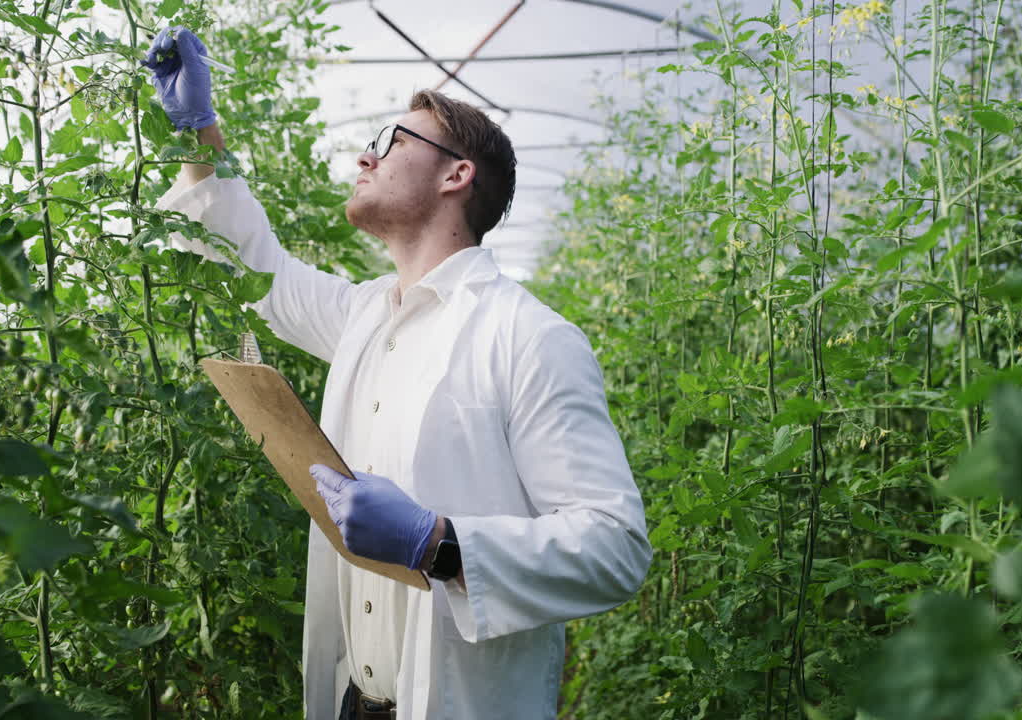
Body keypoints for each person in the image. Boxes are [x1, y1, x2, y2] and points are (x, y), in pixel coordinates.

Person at [144, 27, 652, 720]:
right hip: (358, 703)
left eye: (390, 141)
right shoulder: (364, 316)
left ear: (456, 175)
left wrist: (437, 543)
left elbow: (614, 548)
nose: (365, 155)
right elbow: (255, 267)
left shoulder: (529, 337)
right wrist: (200, 135)